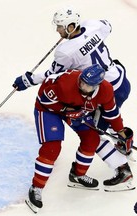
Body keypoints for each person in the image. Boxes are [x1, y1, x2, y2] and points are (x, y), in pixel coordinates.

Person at [13, 6, 134, 191]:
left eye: (60, 27)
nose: (57, 31)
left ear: (70, 27)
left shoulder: (65, 51)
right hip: (120, 81)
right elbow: (107, 25)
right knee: (109, 121)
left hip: (102, 91)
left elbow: (53, 75)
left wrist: (29, 80)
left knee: (93, 133)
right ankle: (124, 142)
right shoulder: (92, 25)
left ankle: (121, 168)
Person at [16, 64, 133, 213]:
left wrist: (120, 132)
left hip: (76, 111)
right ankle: (36, 188)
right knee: (52, 148)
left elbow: (112, 113)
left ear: (97, 85)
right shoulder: (66, 83)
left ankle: (77, 175)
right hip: (49, 110)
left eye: (87, 85)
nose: (82, 86)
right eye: (81, 81)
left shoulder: (106, 90)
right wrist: (66, 110)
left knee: (92, 139)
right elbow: (44, 99)